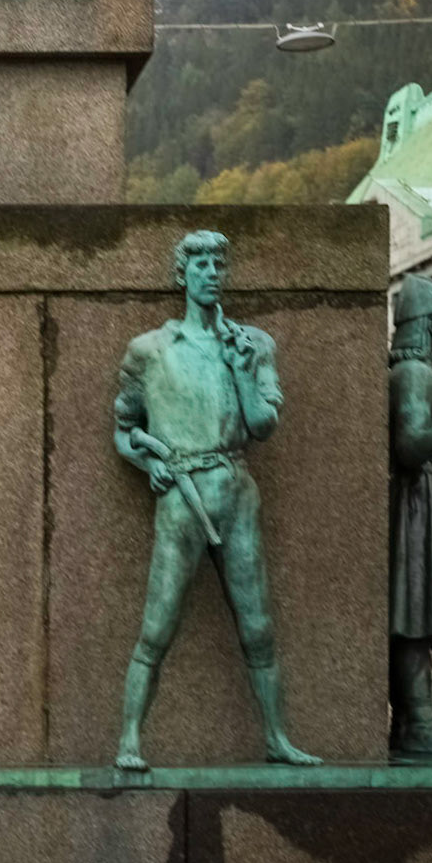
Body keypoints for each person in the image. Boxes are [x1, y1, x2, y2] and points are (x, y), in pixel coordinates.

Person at [113, 230, 320, 772]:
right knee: (157, 627)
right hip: (181, 496)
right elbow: (123, 428)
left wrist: (243, 369)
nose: (210, 272)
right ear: (182, 274)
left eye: (218, 263)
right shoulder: (150, 350)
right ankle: (129, 742)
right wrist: (149, 462)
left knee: (258, 626)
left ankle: (277, 738)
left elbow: (262, 426)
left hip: (235, 490)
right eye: (199, 263)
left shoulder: (254, 343)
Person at [387, 275, 432, 761]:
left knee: (422, 609)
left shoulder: (419, 373)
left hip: (426, 496)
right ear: (425, 324)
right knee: (415, 609)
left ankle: (414, 721)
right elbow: (409, 445)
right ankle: (419, 723)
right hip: (417, 499)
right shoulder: (413, 376)